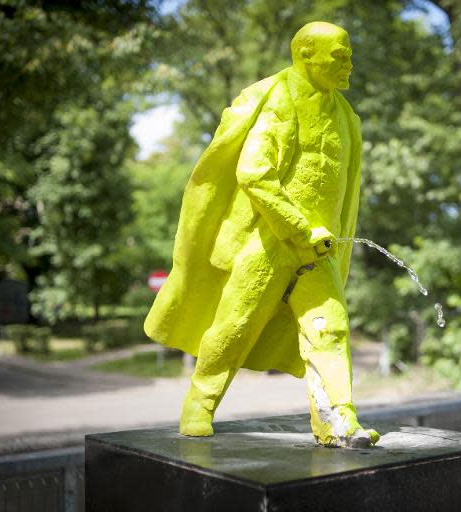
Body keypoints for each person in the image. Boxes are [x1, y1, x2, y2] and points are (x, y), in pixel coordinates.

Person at [144, 21, 378, 448]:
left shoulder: (346, 117)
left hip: (317, 251)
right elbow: (254, 173)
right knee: (234, 327)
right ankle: (200, 402)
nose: (348, 63)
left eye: (348, 54)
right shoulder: (277, 100)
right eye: (339, 55)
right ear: (305, 55)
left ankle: (338, 420)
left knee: (331, 329)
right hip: (267, 242)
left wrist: (321, 237)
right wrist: (300, 227)